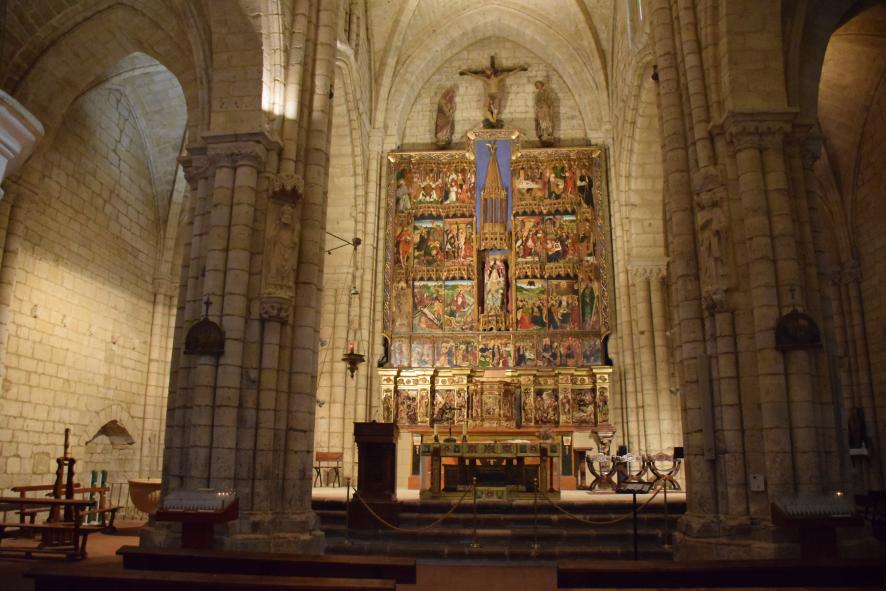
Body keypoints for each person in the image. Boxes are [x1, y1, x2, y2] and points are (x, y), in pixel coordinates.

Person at [459, 55, 528, 127]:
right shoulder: (486, 79)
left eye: (487, 71)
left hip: (496, 94)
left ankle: (494, 119)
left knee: (495, 108)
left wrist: (519, 69)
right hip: (489, 95)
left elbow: (509, 74)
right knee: (485, 107)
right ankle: (491, 119)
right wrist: (467, 72)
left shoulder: (498, 78)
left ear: (492, 72)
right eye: (486, 71)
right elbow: (476, 76)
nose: (486, 72)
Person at [534, 80, 555, 145]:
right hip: (541, 110)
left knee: (548, 122)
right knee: (541, 122)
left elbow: (550, 101)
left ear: (542, 85)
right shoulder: (537, 94)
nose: (539, 87)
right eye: (537, 86)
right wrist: (539, 106)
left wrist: (546, 104)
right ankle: (543, 135)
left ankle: (549, 134)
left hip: (546, 110)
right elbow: (536, 103)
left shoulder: (546, 93)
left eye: (539, 85)